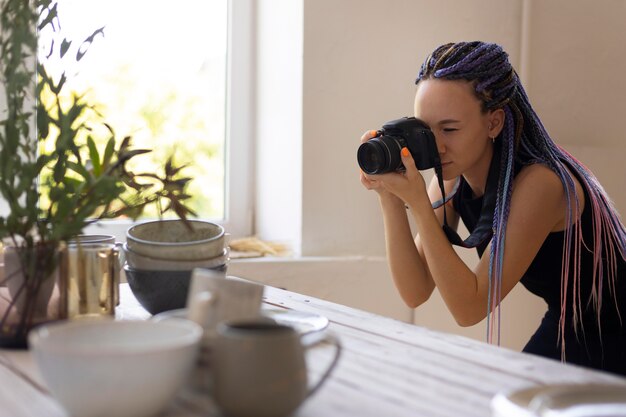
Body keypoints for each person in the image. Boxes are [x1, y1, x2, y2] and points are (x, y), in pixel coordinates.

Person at [360, 41, 626, 375]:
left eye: (450, 129)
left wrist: (418, 204)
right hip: (570, 319)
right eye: (427, 130)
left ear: (494, 123)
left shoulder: (541, 183)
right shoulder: (452, 178)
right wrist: (389, 197)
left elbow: (469, 307)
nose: (437, 145)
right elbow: (415, 290)